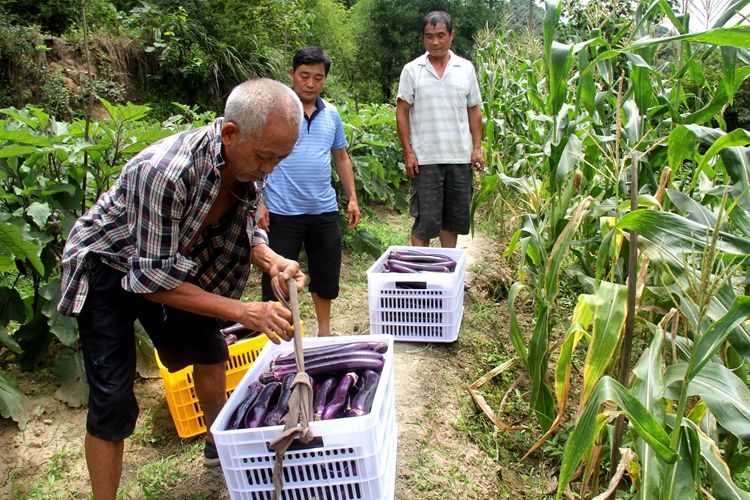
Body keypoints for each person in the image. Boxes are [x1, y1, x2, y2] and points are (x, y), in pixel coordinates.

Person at [57, 78, 306, 500]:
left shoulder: (250, 162)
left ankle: (218, 443)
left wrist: (272, 260)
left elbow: (246, 226)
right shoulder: (165, 173)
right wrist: (247, 311)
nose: (270, 169)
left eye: (280, 158)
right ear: (230, 133)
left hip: (170, 263)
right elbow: (151, 282)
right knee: (113, 401)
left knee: (210, 350)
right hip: (108, 271)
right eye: (266, 157)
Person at [259, 46, 360, 337]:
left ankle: (324, 333)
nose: (311, 83)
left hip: (323, 210)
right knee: (278, 278)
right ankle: (281, 337)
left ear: (324, 80)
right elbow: (259, 156)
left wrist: (352, 197)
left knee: (326, 275)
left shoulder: (332, 115)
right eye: (304, 76)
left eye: (318, 77)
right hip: (282, 211)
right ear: (292, 75)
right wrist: (259, 203)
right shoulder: (276, 113)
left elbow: (341, 156)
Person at [396, 10, 484, 248]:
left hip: (459, 158)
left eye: (440, 35)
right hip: (426, 160)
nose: (435, 41)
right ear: (424, 38)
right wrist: (409, 153)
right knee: (424, 223)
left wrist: (477, 148)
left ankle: (446, 278)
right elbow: (402, 111)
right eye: (429, 36)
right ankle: (419, 279)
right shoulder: (412, 70)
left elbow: (474, 110)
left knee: (451, 223)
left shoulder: (465, 69)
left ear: (451, 36)